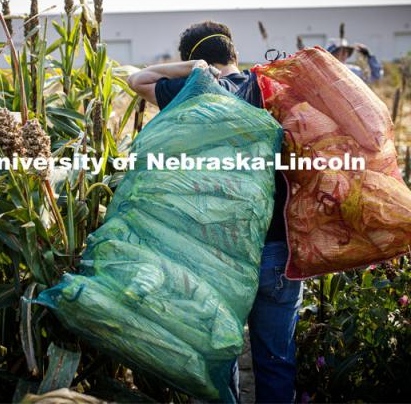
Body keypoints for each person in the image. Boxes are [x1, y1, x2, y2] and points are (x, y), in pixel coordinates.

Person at [127, 21, 303, 403]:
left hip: (214, 253)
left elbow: (138, 79)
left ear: (195, 60)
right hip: (278, 248)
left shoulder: (196, 91)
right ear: (234, 53)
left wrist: (193, 70)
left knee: (216, 361)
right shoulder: (270, 89)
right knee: (276, 360)